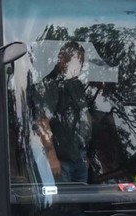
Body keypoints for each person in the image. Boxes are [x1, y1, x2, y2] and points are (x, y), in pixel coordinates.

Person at [34, 41, 92, 183]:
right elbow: (42, 122)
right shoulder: (49, 84)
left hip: (80, 157)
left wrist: (85, 153)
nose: (80, 66)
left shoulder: (76, 84)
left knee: (81, 202)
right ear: (62, 60)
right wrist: (52, 157)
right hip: (61, 160)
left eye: (81, 61)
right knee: (65, 203)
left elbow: (84, 116)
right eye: (76, 61)